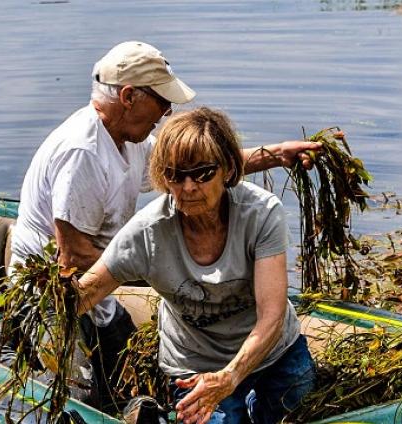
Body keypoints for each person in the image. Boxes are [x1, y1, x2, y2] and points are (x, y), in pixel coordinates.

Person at [0, 40, 318, 412]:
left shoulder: (129, 139)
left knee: (120, 352)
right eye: (161, 101)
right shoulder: (84, 154)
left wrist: (275, 155)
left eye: (201, 176)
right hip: (57, 285)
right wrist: (170, 275)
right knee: (77, 392)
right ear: (129, 96)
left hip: (102, 273)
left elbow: (203, 159)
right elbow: (72, 253)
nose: (166, 112)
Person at [75, 107, 316, 423]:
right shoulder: (147, 234)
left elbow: (271, 314)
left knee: (296, 405)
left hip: (273, 354)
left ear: (227, 169)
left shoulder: (261, 214)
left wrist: (231, 377)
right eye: (175, 175)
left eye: (202, 173)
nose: (188, 188)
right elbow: (84, 294)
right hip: (195, 368)